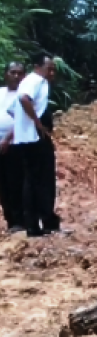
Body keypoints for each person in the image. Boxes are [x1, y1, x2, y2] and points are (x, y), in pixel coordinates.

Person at [12, 54, 61, 236]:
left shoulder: (27, 81)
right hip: (35, 138)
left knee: (31, 181)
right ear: (37, 67)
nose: (51, 73)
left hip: (26, 138)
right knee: (43, 180)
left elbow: (13, 109)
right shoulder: (37, 81)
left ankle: (33, 225)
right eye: (49, 68)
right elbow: (24, 99)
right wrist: (37, 123)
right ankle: (46, 221)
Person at [0, 61, 26, 232]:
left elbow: (23, 120)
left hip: (16, 145)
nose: (16, 76)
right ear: (5, 74)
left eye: (19, 73)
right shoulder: (0, 93)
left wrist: (7, 139)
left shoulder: (24, 96)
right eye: (12, 72)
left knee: (16, 182)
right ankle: (10, 219)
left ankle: (19, 220)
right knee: (2, 184)